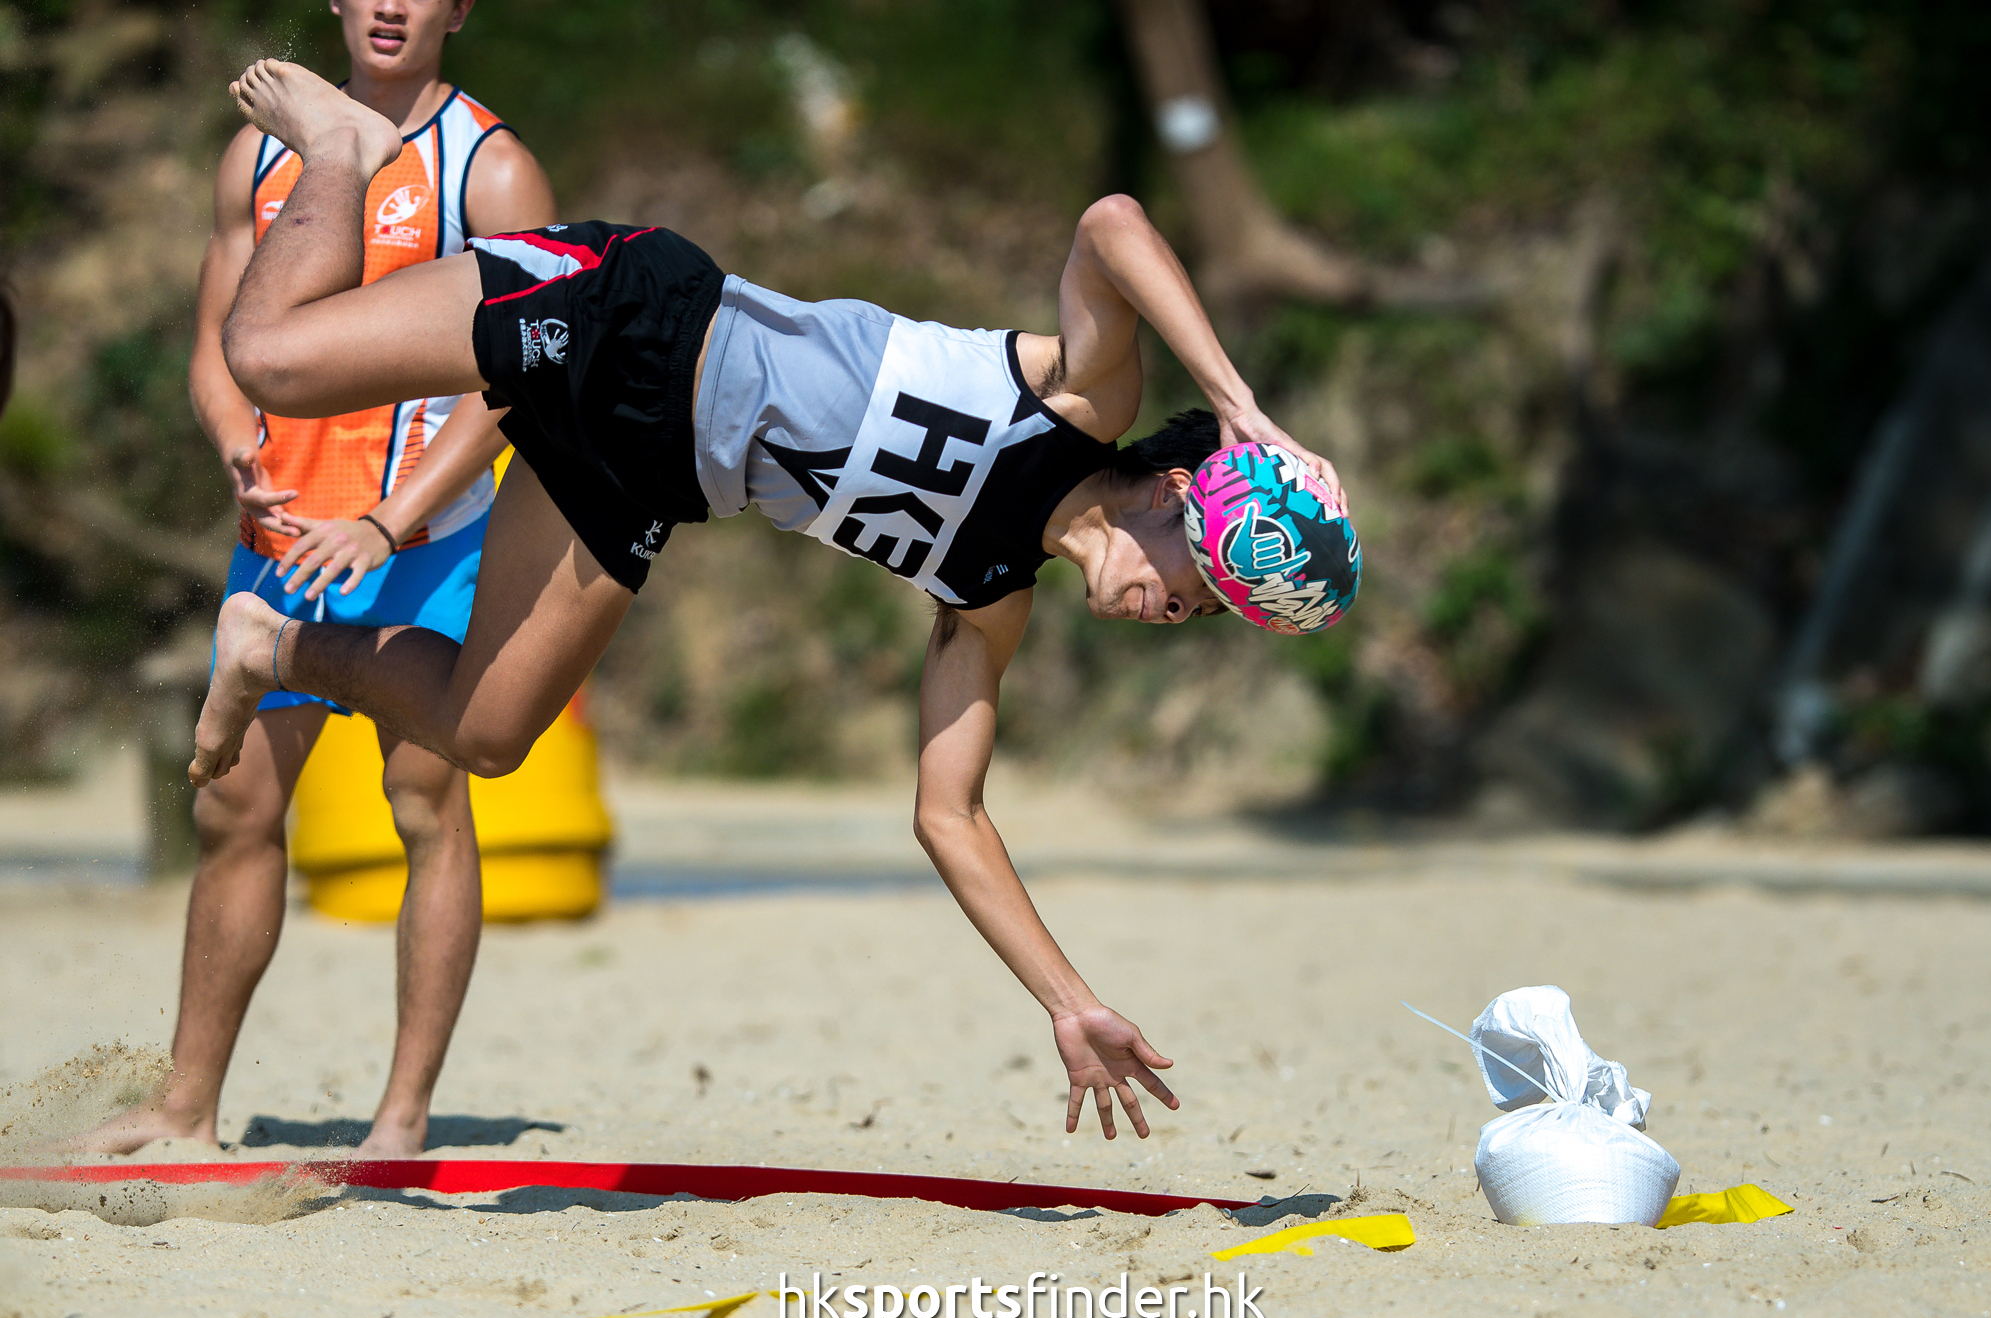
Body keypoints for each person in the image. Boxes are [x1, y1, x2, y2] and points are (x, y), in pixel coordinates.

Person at [192, 57, 1353, 1141]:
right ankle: (343, 151)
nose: (1174, 613)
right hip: (633, 314)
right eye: (1199, 590)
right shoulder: (1081, 402)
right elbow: (1111, 224)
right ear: (1174, 496)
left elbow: (948, 817)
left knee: (485, 737)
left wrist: (1066, 1003)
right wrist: (1237, 401)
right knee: (272, 363)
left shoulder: (990, 594)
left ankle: (272, 645)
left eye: (1200, 617)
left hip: (653, 470)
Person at [80, 7, 556, 1158]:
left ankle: (400, 1119)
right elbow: (215, 336)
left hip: (429, 543)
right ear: (337, 4)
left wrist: (395, 523)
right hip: (284, 542)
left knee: (425, 807)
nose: (392, 4)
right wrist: (234, 442)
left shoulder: (491, 167)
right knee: (231, 810)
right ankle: (187, 1109)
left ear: (459, 9)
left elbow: (523, 372)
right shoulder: (259, 148)